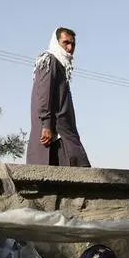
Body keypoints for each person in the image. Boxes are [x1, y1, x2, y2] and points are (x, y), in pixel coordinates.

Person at [26, 27, 90, 167]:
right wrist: (46, 125)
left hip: (64, 131)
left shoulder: (61, 64)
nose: (70, 48)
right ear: (56, 42)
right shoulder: (49, 60)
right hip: (54, 131)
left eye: (73, 44)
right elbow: (44, 94)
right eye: (65, 43)